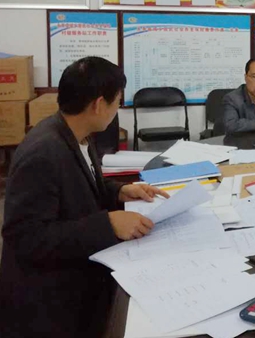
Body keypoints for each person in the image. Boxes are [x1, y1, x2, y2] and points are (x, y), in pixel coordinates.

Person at [0, 57, 169, 338]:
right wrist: (108, 224)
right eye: (117, 102)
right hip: (48, 306)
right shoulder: (43, 153)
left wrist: (118, 191)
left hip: (76, 278)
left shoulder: (78, 133)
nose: (117, 109)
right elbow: (26, 238)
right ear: (99, 104)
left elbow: (79, 186)